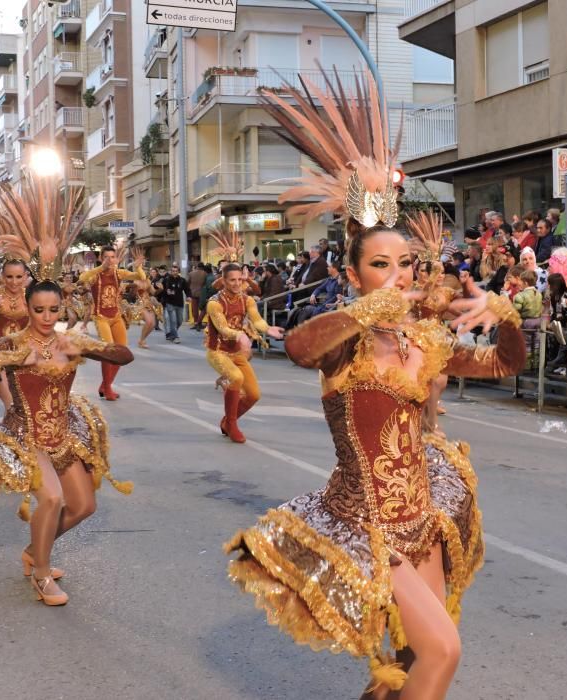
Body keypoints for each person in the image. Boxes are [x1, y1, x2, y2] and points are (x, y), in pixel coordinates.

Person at [226, 71, 526, 700]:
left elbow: (504, 365)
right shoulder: (344, 345)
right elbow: (301, 349)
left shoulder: (428, 341)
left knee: (415, 659)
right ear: (353, 273)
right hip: (366, 524)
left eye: (405, 264)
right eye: (380, 266)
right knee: (444, 652)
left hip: (423, 517)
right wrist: (364, 313)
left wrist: (507, 315)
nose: (396, 276)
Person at [0, 174, 134, 606]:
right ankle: (39, 575)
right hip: (27, 431)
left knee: (84, 506)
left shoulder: (69, 340)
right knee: (51, 498)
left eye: (53, 310)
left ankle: (37, 551)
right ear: (29, 308)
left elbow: (123, 356)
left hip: (63, 432)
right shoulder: (13, 344)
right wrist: (18, 359)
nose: (47, 317)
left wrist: (98, 347)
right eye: (39, 310)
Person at [205, 264, 285, 444]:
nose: (236, 283)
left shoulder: (247, 300)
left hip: (236, 354)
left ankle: (227, 421)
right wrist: (240, 335)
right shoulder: (214, 303)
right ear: (224, 281)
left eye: (239, 279)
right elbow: (223, 329)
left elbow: (256, 320)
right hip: (217, 352)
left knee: (254, 395)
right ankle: (231, 424)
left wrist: (268, 328)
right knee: (236, 378)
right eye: (232, 280)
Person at [78, 245, 146, 400]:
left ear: (116, 259)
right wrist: (100, 268)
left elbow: (140, 277)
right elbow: (83, 279)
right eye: (106, 257)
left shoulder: (118, 273)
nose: (110, 260)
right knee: (109, 352)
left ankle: (105, 384)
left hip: (116, 316)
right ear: (101, 258)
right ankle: (107, 388)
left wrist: (138, 266)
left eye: (113, 257)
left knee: (121, 353)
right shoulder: (96, 275)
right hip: (101, 317)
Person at [0, 259, 30, 408]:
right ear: (2, 276)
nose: (14, 282)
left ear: (25, 276)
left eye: (19, 277)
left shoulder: (31, 297)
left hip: (24, 360)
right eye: (9, 277)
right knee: (12, 405)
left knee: (23, 410)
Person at [160, 264, 188, 343]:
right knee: (173, 321)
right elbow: (162, 290)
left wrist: (189, 296)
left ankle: (172, 332)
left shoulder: (182, 280)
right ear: (171, 272)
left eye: (176, 271)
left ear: (178, 272)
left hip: (179, 303)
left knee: (180, 321)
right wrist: (166, 292)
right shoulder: (167, 280)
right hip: (170, 303)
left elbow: (187, 290)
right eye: (173, 271)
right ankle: (176, 337)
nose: (174, 272)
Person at [188, 262, 207, 329]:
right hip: (202, 294)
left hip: (193, 293)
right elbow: (205, 284)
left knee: (194, 309)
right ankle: (199, 322)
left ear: (197, 266)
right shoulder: (205, 274)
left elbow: (188, 283)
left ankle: (196, 322)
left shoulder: (191, 273)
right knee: (204, 308)